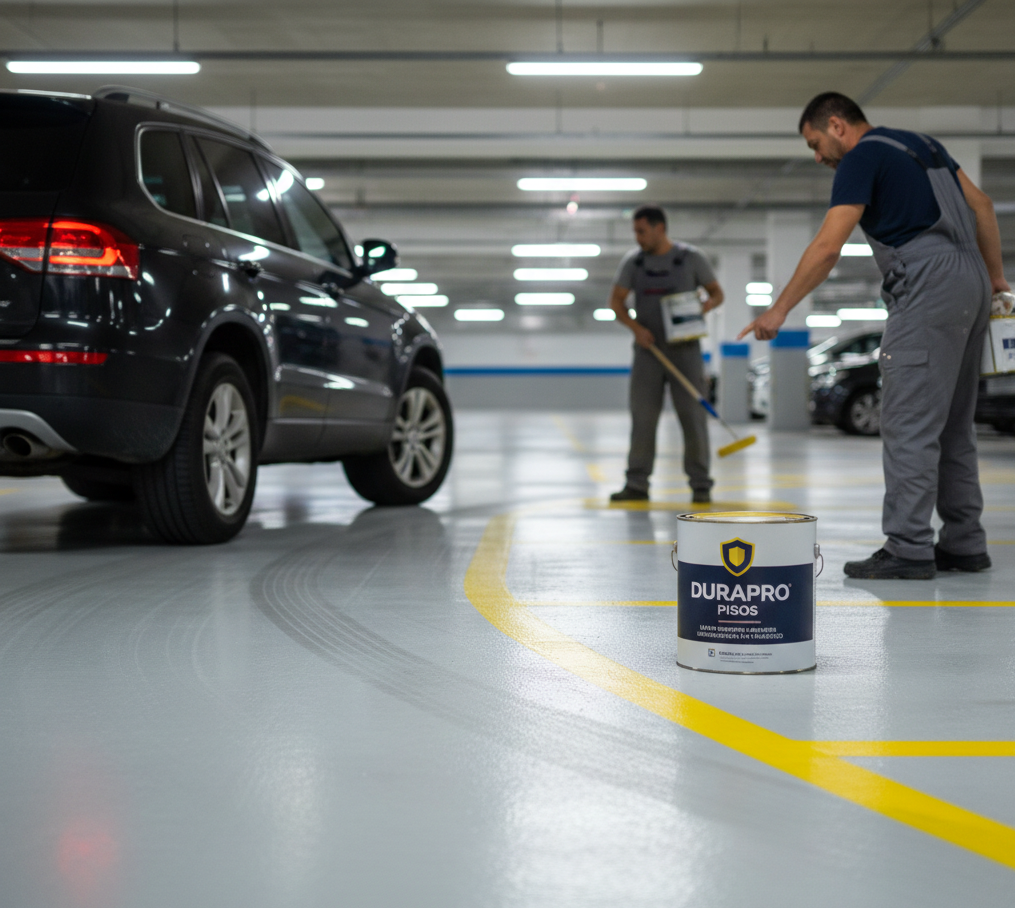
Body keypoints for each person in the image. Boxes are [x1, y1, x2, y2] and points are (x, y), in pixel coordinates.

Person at [738, 91, 1010, 579]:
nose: (818, 156)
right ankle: (965, 543)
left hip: (927, 284)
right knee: (953, 425)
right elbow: (984, 207)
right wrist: (996, 283)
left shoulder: (860, 158)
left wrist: (778, 310)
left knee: (908, 423)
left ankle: (908, 548)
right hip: (970, 281)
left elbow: (827, 247)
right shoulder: (923, 145)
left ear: (837, 125)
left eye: (815, 143)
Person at [609, 204, 724, 503]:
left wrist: (701, 309)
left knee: (692, 418)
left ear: (660, 228)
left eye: (641, 231)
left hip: (685, 352)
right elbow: (616, 302)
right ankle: (636, 484)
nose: (637, 237)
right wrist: (636, 329)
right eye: (635, 231)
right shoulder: (633, 264)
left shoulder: (691, 259)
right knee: (643, 418)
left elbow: (717, 293)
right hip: (648, 352)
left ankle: (701, 485)